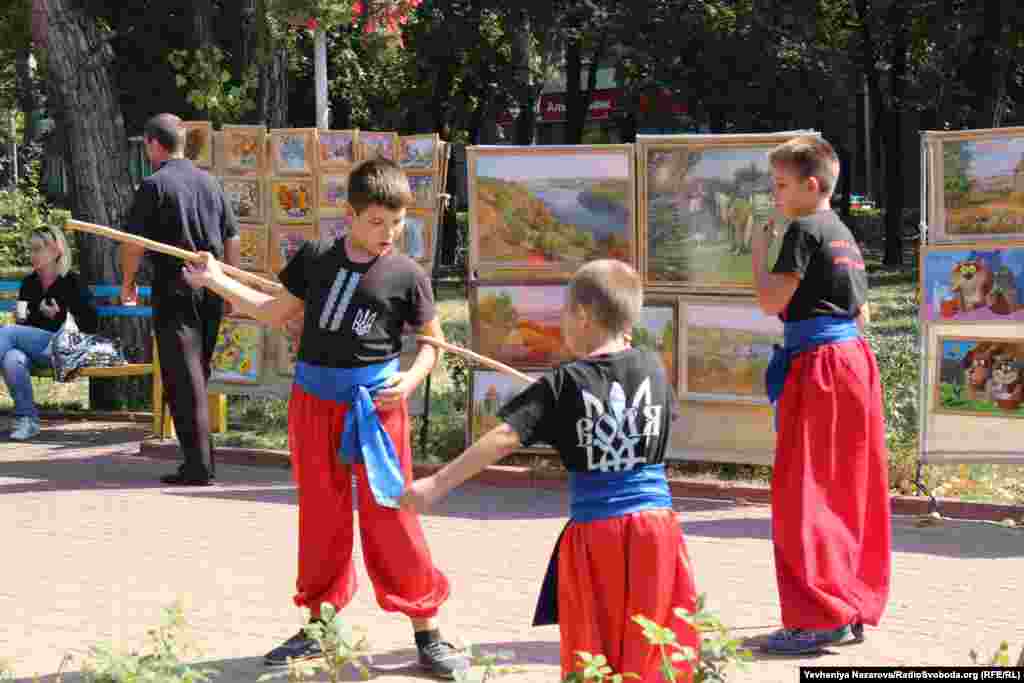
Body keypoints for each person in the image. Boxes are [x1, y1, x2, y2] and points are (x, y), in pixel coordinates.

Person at [181, 158, 470, 678]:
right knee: (321, 517)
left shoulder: (407, 275)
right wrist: (215, 277)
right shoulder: (315, 258)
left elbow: (433, 345)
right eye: (376, 222)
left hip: (377, 412)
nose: (387, 233)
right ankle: (319, 627)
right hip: (314, 405)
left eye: (397, 222)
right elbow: (272, 312)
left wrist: (409, 381)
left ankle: (428, 632)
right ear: (349, 215)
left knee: (393, 515)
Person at [400, 259, 698, 682]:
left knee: (594, 649)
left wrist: (436, 483)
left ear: (584, 315)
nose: (562, 323)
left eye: (565, 313)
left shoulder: (563, 384)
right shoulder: (652, 367)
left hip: (598, 535)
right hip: (658, 531)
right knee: (655, 645)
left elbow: (504, 437)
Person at [753, 135, 889, 655]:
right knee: (846, 488)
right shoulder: (843, 233)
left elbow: (771, 301)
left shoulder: (804, 229)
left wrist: (758, 252)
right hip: (853, 362)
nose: (776, 194)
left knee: (804, 493)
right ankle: (846, 604)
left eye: (781, 185)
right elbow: (862, 312)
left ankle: (816, 618)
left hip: (819, 367)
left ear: (811, 185)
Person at [121, 113, 241, 486]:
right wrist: (228, 285)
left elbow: (133, 243)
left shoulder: (154, 185)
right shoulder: (210, 183)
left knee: (184, 379)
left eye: (147, 145)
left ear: (154, 144)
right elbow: (232, 237)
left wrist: (128, 282)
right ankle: (199, 461)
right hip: (210, 288)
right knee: (196, 375)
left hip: (175, 290)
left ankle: (198, 466)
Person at [1, 226, 98, 440]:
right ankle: (28, 420)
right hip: (40, 351)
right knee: (12, 358)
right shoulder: (29, 283)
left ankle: (27, 419)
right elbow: (28, 327)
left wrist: (59, 314)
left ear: (55, 251)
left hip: (68, 351)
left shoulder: (72, 281)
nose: (32, 255)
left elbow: (91, 323)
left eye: (38, 249)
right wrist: (23, 319)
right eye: (31, 249)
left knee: (7, 333)